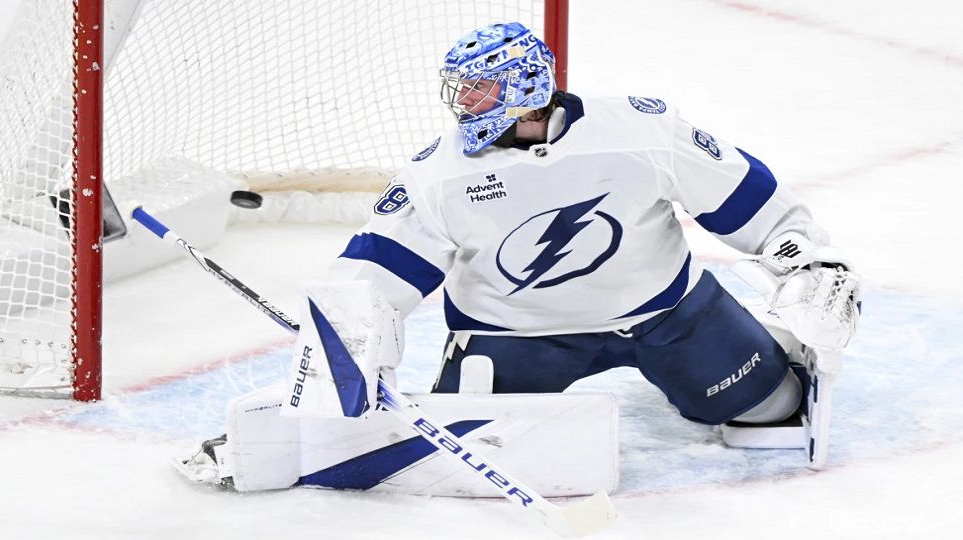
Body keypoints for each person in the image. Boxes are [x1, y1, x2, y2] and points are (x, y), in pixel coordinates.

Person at [328, 21, 861, 428]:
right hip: (519, 336)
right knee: (476, 440)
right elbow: (379, 270)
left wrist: (807, 262)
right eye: (462, 89)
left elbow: (745, 199)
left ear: (527, 90)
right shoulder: (438, 174)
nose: (463, 102)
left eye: (479, 90)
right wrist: (353, 342)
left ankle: (758, 344)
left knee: (769, 408)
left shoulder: (637, 130)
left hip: (668, 314)